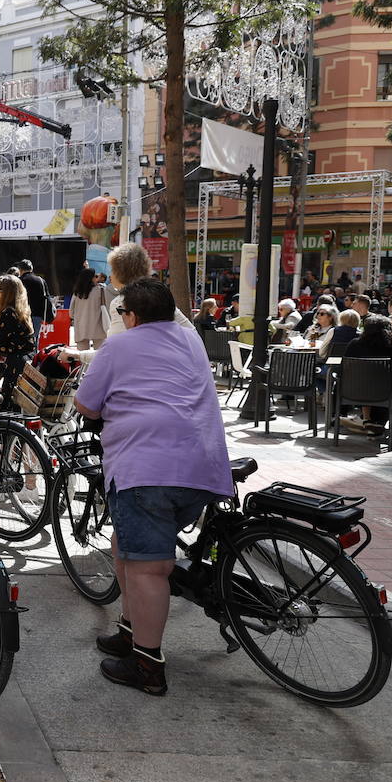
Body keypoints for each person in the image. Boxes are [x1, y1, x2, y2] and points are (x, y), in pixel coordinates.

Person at [73, 278, 233, 695]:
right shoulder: (191, 339)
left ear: (131, 315)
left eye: (123, 313)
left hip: (146, 469)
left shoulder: (120, 346)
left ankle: (147, 664)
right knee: (125, 544)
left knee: (149, 568)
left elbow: (86, 404)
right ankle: (130, 627)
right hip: (203, 466)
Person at [341, 315, 392, 438]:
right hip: (385, 392)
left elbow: (342, 369)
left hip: (355, 392)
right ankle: (376, 424)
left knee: (365, 384)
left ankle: (367, 421)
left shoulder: (354, 344)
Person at [0, 274, 36, 404]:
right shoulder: (20, 311)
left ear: (5, 293)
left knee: (7, 406)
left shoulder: (8, 313)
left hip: (15, 366)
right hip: (24, 363)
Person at [71, 267, 113, 347]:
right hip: (98, 327)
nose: (97, 278)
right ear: (91, 278)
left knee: (82, 356)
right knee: (99, 355)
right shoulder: (100, 290)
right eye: (96, 276)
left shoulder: (77, 292)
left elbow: (71, 313)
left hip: (81, 328)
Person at [18, 259, 56, 325]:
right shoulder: (40, 280)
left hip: (22, 315)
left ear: (20, 270)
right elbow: (47, 297)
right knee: (35, 335)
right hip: (37, 315)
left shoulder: (19, 281)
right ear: (31, 269)